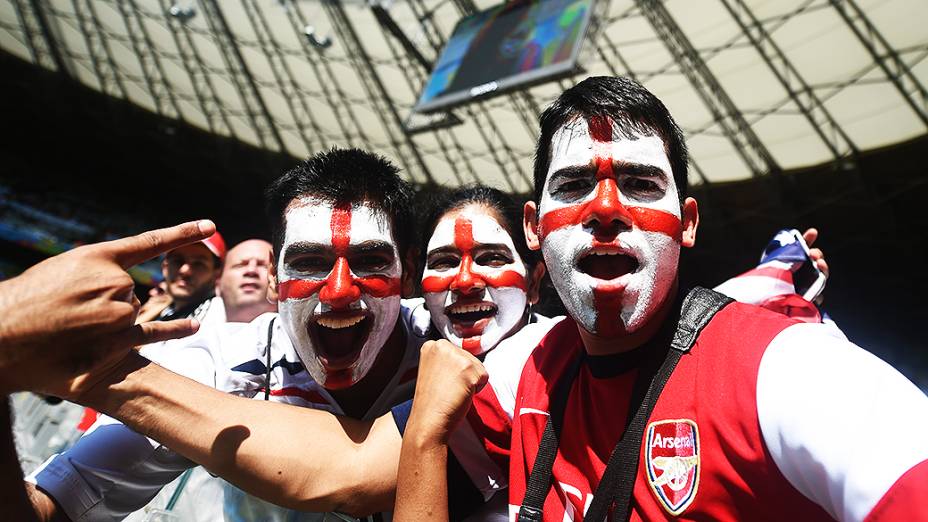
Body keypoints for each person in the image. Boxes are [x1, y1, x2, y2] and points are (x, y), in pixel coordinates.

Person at [396, 76, 928, 521]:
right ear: (534, 228)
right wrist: (422, 431)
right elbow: (338, 470)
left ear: (687, 224)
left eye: (641, 184)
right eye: (576, 183)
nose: (605, 208)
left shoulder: (788, 371)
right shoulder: (525, 370)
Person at [18, 148, 433, 521]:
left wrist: (108, 378)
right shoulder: (213, 364)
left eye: (370, 260)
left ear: (409, 273)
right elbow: (50, 507)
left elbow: (356, 473)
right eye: (309, 261)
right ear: (274, 279)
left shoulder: (452, 348)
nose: (339, 291)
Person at [136, 229, 227, 324]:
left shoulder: (220, 315)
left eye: (198, 264)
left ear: (216, 274)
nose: (185, 270)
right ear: (165, 267)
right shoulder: (161, 311)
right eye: (177, 261)